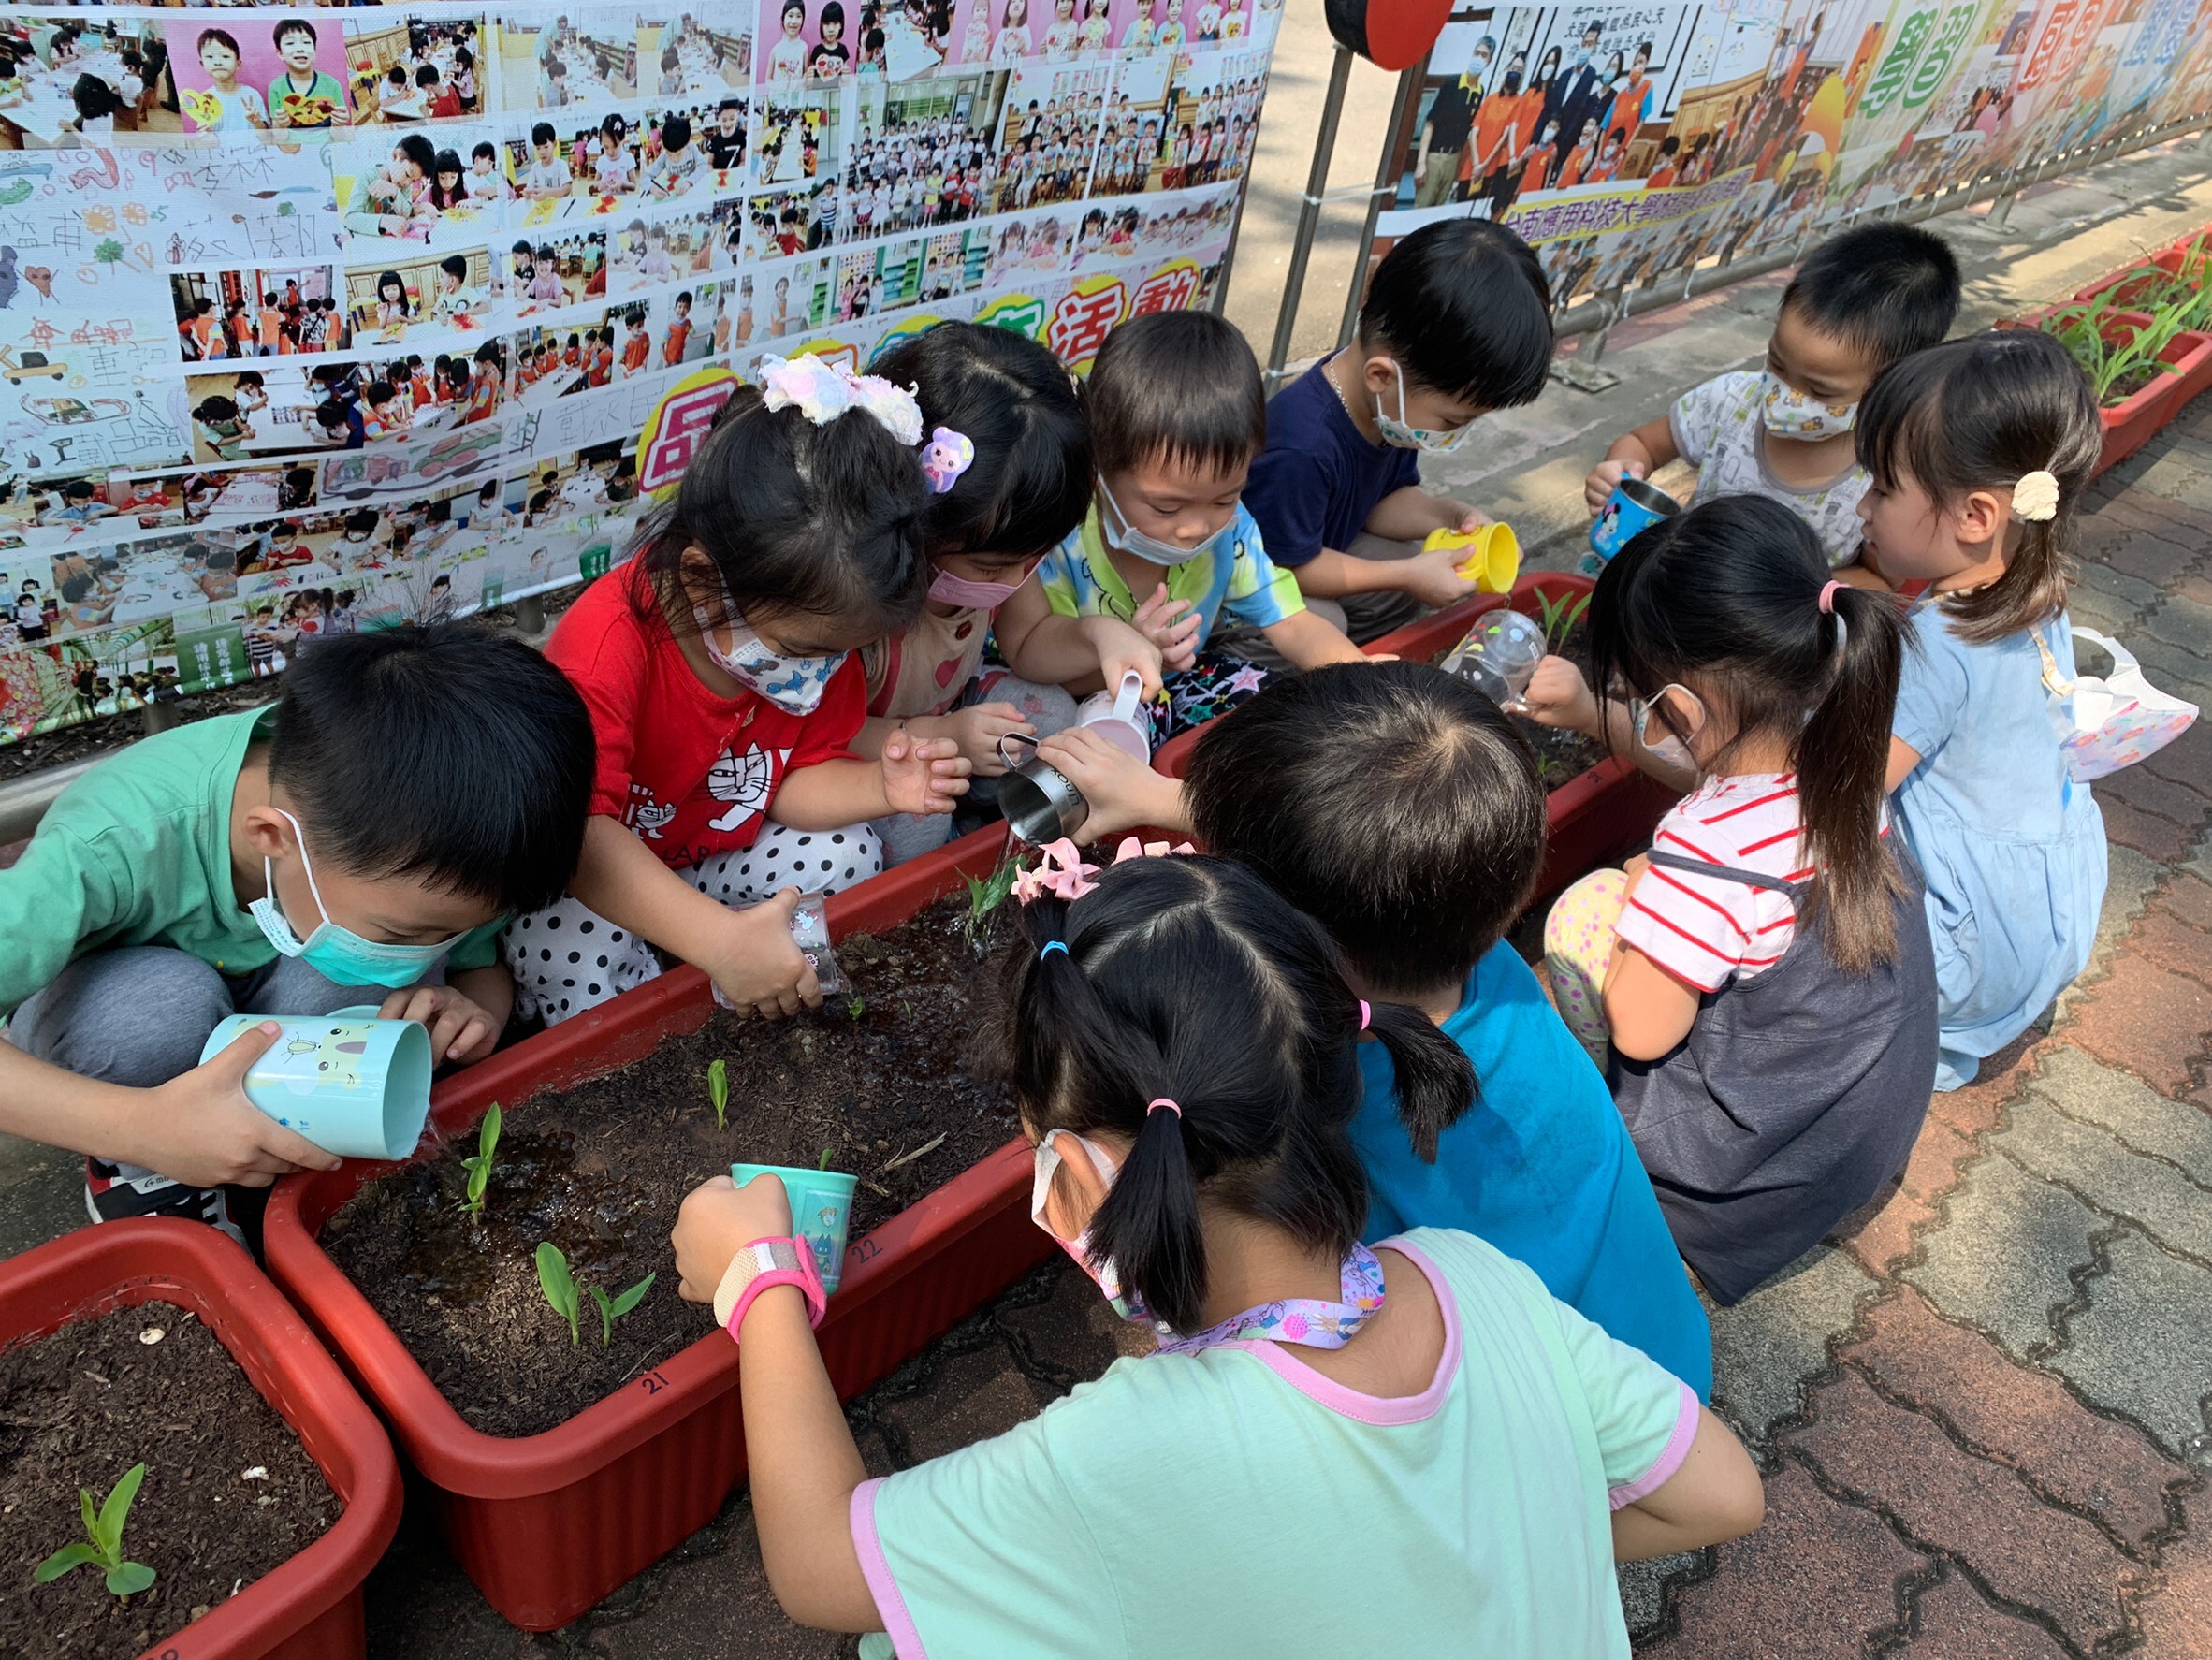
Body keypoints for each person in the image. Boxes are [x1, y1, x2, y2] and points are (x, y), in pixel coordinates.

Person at [670, 855, 1763, 1657]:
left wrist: (759, 1279)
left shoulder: (1131, 1449)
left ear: (1083, 1174)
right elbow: (1723, 1492)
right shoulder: (1474, 1273)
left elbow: (822, 1566)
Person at [1037, 663, 1716, 1391]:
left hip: (1568, 1446)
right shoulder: (1469, 950)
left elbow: (1233, 1285)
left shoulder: (1317, 1099)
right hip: (1664, 1361)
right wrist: (1172, 801)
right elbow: (1359, 867)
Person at [0, 626, 594, 1241]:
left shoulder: (436, 833)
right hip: (121, 1006)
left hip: (269, 990)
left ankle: (275, 1132)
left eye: (443, 934)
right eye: (401, 931)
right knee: (158, 1010)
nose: (427, 952)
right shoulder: (116, 840)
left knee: (351, 994)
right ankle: (142, 1169)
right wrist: (138, 1127)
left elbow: (477, 963)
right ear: (274, 839)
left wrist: (479, 1010)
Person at [1521, 495, 1937, 1303]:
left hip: (1749, 1181)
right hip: (1860, 1120)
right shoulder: (1841, 756)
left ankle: (1636, 1190)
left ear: (1675, 710)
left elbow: (1644, 1032)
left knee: (1582, 915)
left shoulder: (1708, 847)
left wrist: (1639, 922)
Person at [501, 357, 971, 1027]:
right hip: (597, 880)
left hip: (708, 856)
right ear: (700, 580)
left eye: (840, 653)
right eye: (807, 651)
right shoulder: (609, 644)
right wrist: (718, 942)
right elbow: (580, 836)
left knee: (848, 852)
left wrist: (881, 791)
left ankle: (739, 978)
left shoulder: (800, 638)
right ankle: (662, 1006)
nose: (823, 671)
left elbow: (786, 776)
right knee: (561, 946)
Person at [1856, 329, 2110, 1090]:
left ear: (1974, 516)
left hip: (1969, 955)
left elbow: (1839, 795)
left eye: (1881, 486)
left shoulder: (1934, 641)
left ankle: (1905, 1041)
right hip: (2055, 916)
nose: (1861, 505)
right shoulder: (2033, 586)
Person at [856, 322, 1151, 865]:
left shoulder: (996, 542)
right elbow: (828, 736)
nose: (1012, 580)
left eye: (1029, 561)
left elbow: (1031, 639)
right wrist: (943, 735)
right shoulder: (856, 601)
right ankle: (940, 865)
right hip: (873, 753)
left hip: (956, 719)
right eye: (993, 566)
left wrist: (1101, 635)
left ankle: (1002, 832)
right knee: (920, 808)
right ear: (911, 520)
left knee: (1054, 716)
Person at [997, 312, 1367, 740]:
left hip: (1164, 687)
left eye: (1225, 498)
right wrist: (1109, 637)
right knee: (1050, 728)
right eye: (1167, 508)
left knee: (1268, 713)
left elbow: (1293, 622)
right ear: (1098, 466)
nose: (1196, 528)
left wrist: (1360, 676)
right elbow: (1028, 656)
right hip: (1063, 690)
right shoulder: (1060, 532)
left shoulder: (1232, 530)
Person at [1231, 219, 1552, 663]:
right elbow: (1289, 567)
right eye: (1452, 419)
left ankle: (1348, 659)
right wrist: (1405, 573)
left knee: (1404, 570)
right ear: (1382, 375)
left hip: (1315, 552)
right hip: (1251, 584)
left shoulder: (1384, 410)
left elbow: (1383, 501)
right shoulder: (1300, 447)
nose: (1456, 432)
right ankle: (1261, 683)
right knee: (1329, 620)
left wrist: (1452, 514)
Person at [1584, 224, 1961, 570]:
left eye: (1820, 390)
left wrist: (1806, 594)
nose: (1787, 397)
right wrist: (1619, 471)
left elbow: (1878, 578)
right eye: (1777, 364)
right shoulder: (1733, 401)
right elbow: (1643, 444)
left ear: (1892, 384)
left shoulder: (1886, 476)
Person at [266, 17, 345, 130]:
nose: (300, 48)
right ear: (280, 53)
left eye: (306, 42)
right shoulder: (275, 88)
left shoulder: (332, 85)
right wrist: (280, 125)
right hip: (294, 147)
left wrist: (339, 125)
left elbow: (339, 138)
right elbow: (280, 139)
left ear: (314, 50)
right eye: (290, 43)